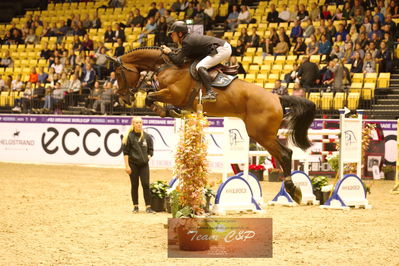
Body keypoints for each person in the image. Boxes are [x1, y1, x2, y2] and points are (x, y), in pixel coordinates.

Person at [161, 21, 232, 102]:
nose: (171, 36)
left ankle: (210, 93)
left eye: (172, 34)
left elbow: (178, 61)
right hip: (217, 48)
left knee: (200, 66)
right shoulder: (187, 39)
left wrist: (169, 52)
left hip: (222, 49)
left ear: (180, 34)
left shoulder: (187, 41)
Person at [122, 116, 155, 213]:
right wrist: (127, 166)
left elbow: (151, 150)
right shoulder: (128, 137)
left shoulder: (147, 136)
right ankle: (135, 206)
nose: (139, 124)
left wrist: (147, 157)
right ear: (133, 124)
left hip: (144, 165)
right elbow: (126, 152)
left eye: (140, 122)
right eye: (136, 122)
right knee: (134, 185)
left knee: (146, 185)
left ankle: (148, 207)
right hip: (133, 165)